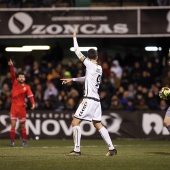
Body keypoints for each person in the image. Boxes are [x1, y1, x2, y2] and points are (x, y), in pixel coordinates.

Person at [60, 27, 117, 156]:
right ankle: (112, 148)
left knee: (75, 122)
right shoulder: (99, 68)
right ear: (96, 57)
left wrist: (74, 37)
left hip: (89, 98)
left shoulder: (89, 65)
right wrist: (73, 79)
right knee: (97, 124)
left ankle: (76, 150)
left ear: (89, 57)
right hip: (96, 100)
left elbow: (76, 51)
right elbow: (87, 78)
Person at [8, 59, 35, 147]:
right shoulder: (14, 83)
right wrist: (11, 66)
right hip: (14, 107)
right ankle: (12, 141)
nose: (21, 78)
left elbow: (30, 96)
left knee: (23, 125)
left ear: (24, 78)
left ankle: (24, 141)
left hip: (22, 108)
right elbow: (12, 74)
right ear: (17, 78)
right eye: (20, 77)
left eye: (23, 77)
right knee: (13, 124)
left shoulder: (27, 87)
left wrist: (33, 103)